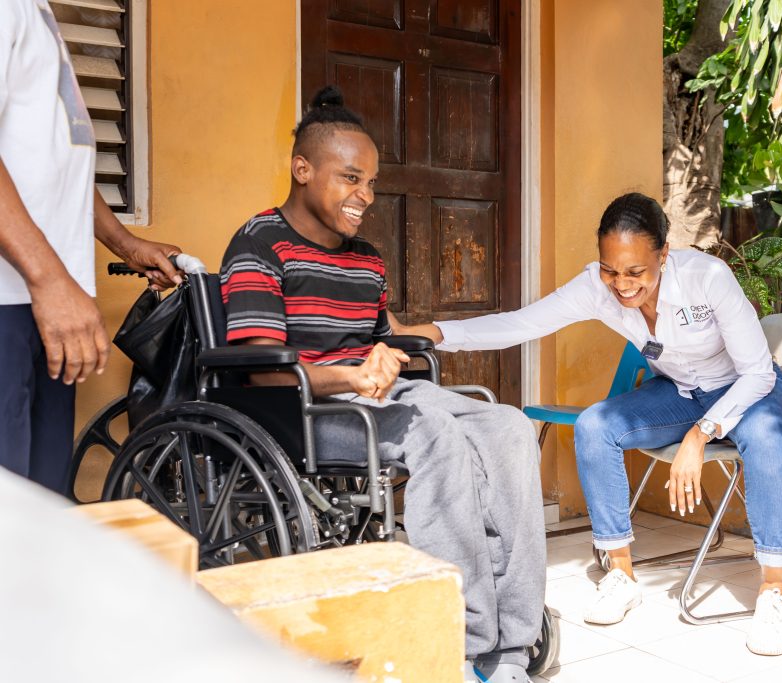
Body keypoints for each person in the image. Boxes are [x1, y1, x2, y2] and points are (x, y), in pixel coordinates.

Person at [220, 86, 545, 683]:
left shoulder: (366, 258)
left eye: (370, 182)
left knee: (509, 427)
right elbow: (262, 366)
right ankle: (467, 644)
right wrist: (353, 372)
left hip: (375, 393)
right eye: (350, 179)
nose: (364, 196)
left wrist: (388, 352)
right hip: (298, 404)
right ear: (302, 169)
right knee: (436, 438)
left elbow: (380, 334)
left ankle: (514, 642)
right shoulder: (258, 245)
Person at [400, 192, 782, 656]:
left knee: (766, 436)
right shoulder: (596, 286)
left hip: (752, 390)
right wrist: (439, 333)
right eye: (611, 270)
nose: (622, 285)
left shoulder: (707, 278)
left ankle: (773, 589)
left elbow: (755, 372)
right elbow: (522, 323)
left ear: (664, 255)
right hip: (682, 393)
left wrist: (701, 433)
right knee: (596, 424)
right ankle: (620, 574)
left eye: (636, 272)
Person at [0, 0, 181, 495]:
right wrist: (51, 282)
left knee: (39, 503)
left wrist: (124, 243)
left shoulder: (34, 11)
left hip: (44, 303)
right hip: (14, 301)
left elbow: (56, 160)